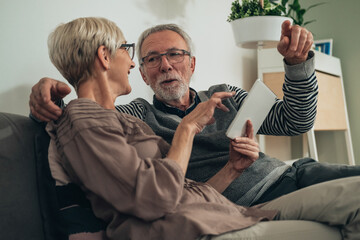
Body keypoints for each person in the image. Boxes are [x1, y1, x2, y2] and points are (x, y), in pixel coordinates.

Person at [45, 16, 360, 240]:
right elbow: (92, 120)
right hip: (241, 202)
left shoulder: (224, 93)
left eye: (174, 54)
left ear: (191, 64)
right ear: (142, 74)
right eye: (151, 59)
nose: (165, 65)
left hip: (293, 173)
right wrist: (49, 92)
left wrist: (296, 66)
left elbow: (297, 120)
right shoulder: (137, 116)